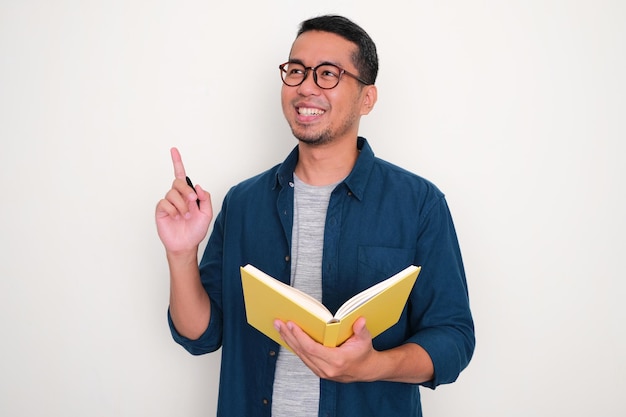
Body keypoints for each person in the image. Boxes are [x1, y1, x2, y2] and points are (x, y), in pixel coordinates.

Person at [156, 14, 474, 417]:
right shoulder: (243, 202)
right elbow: (201, 334)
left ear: (367, 98)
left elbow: (454, 339)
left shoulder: (418, 202)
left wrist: (374, 365)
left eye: (328, 74)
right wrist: (181, 255)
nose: (306, 86)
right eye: (296, 71)